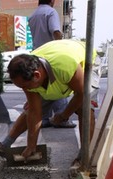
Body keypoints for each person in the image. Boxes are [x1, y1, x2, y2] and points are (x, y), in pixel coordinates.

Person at [0, 39, 101, 169]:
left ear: (37, 75)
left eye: (25, 86)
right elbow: (34, 112)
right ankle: (4, 145)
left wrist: (64, 116)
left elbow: (81, 94)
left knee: (86, 108)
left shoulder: (65, 67)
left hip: (86, 61)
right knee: (30, 109)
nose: (24, 89)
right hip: (56, 69)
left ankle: (83, 159)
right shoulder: (29, 74)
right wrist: (31, 145)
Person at [28, 0, 76, 128]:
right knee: (58, 85)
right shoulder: (50, 12)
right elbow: (55, 31)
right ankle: (62, 117)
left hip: (37, 55)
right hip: (51, 55)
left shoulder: (33, 15)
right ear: (52, 1)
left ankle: (44, 118)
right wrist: (61, 45)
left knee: (43, 86)